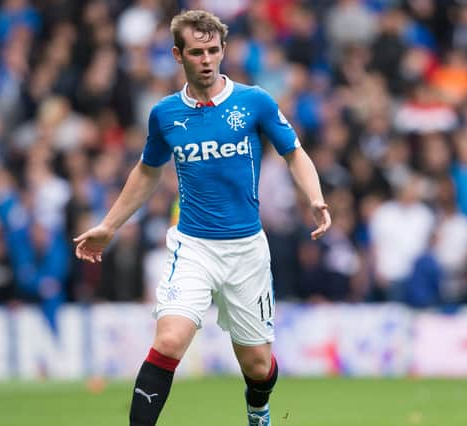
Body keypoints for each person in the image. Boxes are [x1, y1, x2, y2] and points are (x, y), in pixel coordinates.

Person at [74, 10, 330, 426]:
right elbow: (147, 170)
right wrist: (110, 225)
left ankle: (258, 409)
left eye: (213, 50)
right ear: (179, 55)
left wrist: (315, 198)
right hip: (193, 247)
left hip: (246, 250)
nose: (207, 59)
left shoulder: (255, 102)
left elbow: (294, 153)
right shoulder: (165, 114)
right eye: (197, 52)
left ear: (223, 50)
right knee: (170, 339)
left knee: (258, 366)